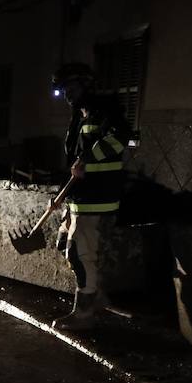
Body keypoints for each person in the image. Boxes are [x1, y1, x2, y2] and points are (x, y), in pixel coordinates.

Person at [50, 62, 131, 331]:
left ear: (86, 84)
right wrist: (61, 194)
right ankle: (97, 294)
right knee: (64, 244)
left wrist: (88, 156)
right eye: (63, 92)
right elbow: (73, 162)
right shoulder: (79, 118)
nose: (67, 96)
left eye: (70, 89)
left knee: (79, 251)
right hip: (78, 197)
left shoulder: (106, 110)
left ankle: (84, 311)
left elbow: (119, 139)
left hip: (98, 197)